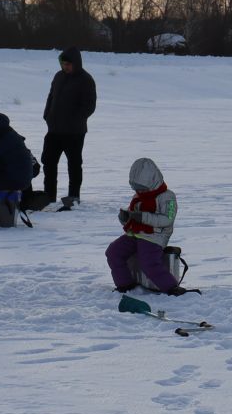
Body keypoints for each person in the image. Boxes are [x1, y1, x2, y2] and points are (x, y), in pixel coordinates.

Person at [106, 158, 185, 294]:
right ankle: (125, 285)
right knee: (114, 252)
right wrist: (125, 218)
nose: (139, 192)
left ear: (151, 182)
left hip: (155, 236)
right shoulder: (138, 197)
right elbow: (133, 219)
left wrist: (142, 217)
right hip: (135, 233)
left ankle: (171, 287)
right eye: (136, 189)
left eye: (142, 188)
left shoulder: (168, 197)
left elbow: (167, 219)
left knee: (148, 262)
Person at [40, 47, 97, 209]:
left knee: (74, 164)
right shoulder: (58, 76)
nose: (65, 67)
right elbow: (50, 97)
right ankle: (49, 196)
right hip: (54, 130)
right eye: (63, 64)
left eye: (68, 64)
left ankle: (73, 197)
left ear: (76, 63)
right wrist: (47, 115)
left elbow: (89, 106)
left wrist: (74, 119)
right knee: (49, 163)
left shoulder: (86, 80)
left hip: (74, 132)